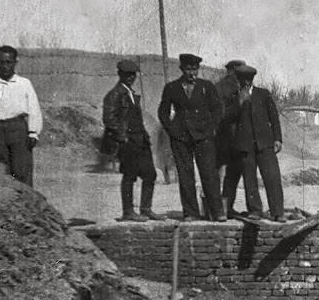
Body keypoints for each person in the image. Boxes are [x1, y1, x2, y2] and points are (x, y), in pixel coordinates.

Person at [158, 53, 225, 221]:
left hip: (204, 137)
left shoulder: (207, 86)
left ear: (198, 69)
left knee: (209, 173)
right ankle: (191, 213)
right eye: (188, 69)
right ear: (182, 69)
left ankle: (217, 212)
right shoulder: (172, 87)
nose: (192, 73)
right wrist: (172, 130)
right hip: (181, 137)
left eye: (194, 69)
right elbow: (163, 112)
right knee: (185, 175)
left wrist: (211, 129)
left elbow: (218, 109)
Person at [223, 65, 285, 222]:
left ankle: (278, 212)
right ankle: (255, 210)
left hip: (265, 143)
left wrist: (277, 138)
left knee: (272, 177)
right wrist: (239, 103)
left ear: (252, 80)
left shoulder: (263, 94)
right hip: (245, 146)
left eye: (249, 80)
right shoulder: (233, 97)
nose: (246, 83)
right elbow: (227, 118)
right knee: (249, 179)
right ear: (238, 80)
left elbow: (274, 118)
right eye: (243, 80)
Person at [102, 59, 159, 221]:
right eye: (127, 75)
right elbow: (109, 119)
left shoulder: (131, 94)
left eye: (133, 75)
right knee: (129, 175)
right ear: (120, 75)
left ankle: (146, 209)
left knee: (150, 174)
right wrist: (123, 138)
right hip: (128, 142)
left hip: (141, 141)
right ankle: (128, 212)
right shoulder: (114, 94)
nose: (131, 77)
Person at [0, 45, 42, 186]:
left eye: (9, 62)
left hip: (18, 129)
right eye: (2, 62)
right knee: (1, 171)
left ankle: (27, 206)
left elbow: (34, 108)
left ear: (15, 62)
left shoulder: (24, 83)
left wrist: (33, 132)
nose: (5, 66)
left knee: (22, 170)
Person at [216, 58, 246, 212]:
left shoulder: (240, 86)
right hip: (225, 136)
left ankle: (227, 207)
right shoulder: (223, 87)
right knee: (225, 174)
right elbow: (221, 113)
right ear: (232, 70)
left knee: (232, 174)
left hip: (234, 137)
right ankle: (219, 207)